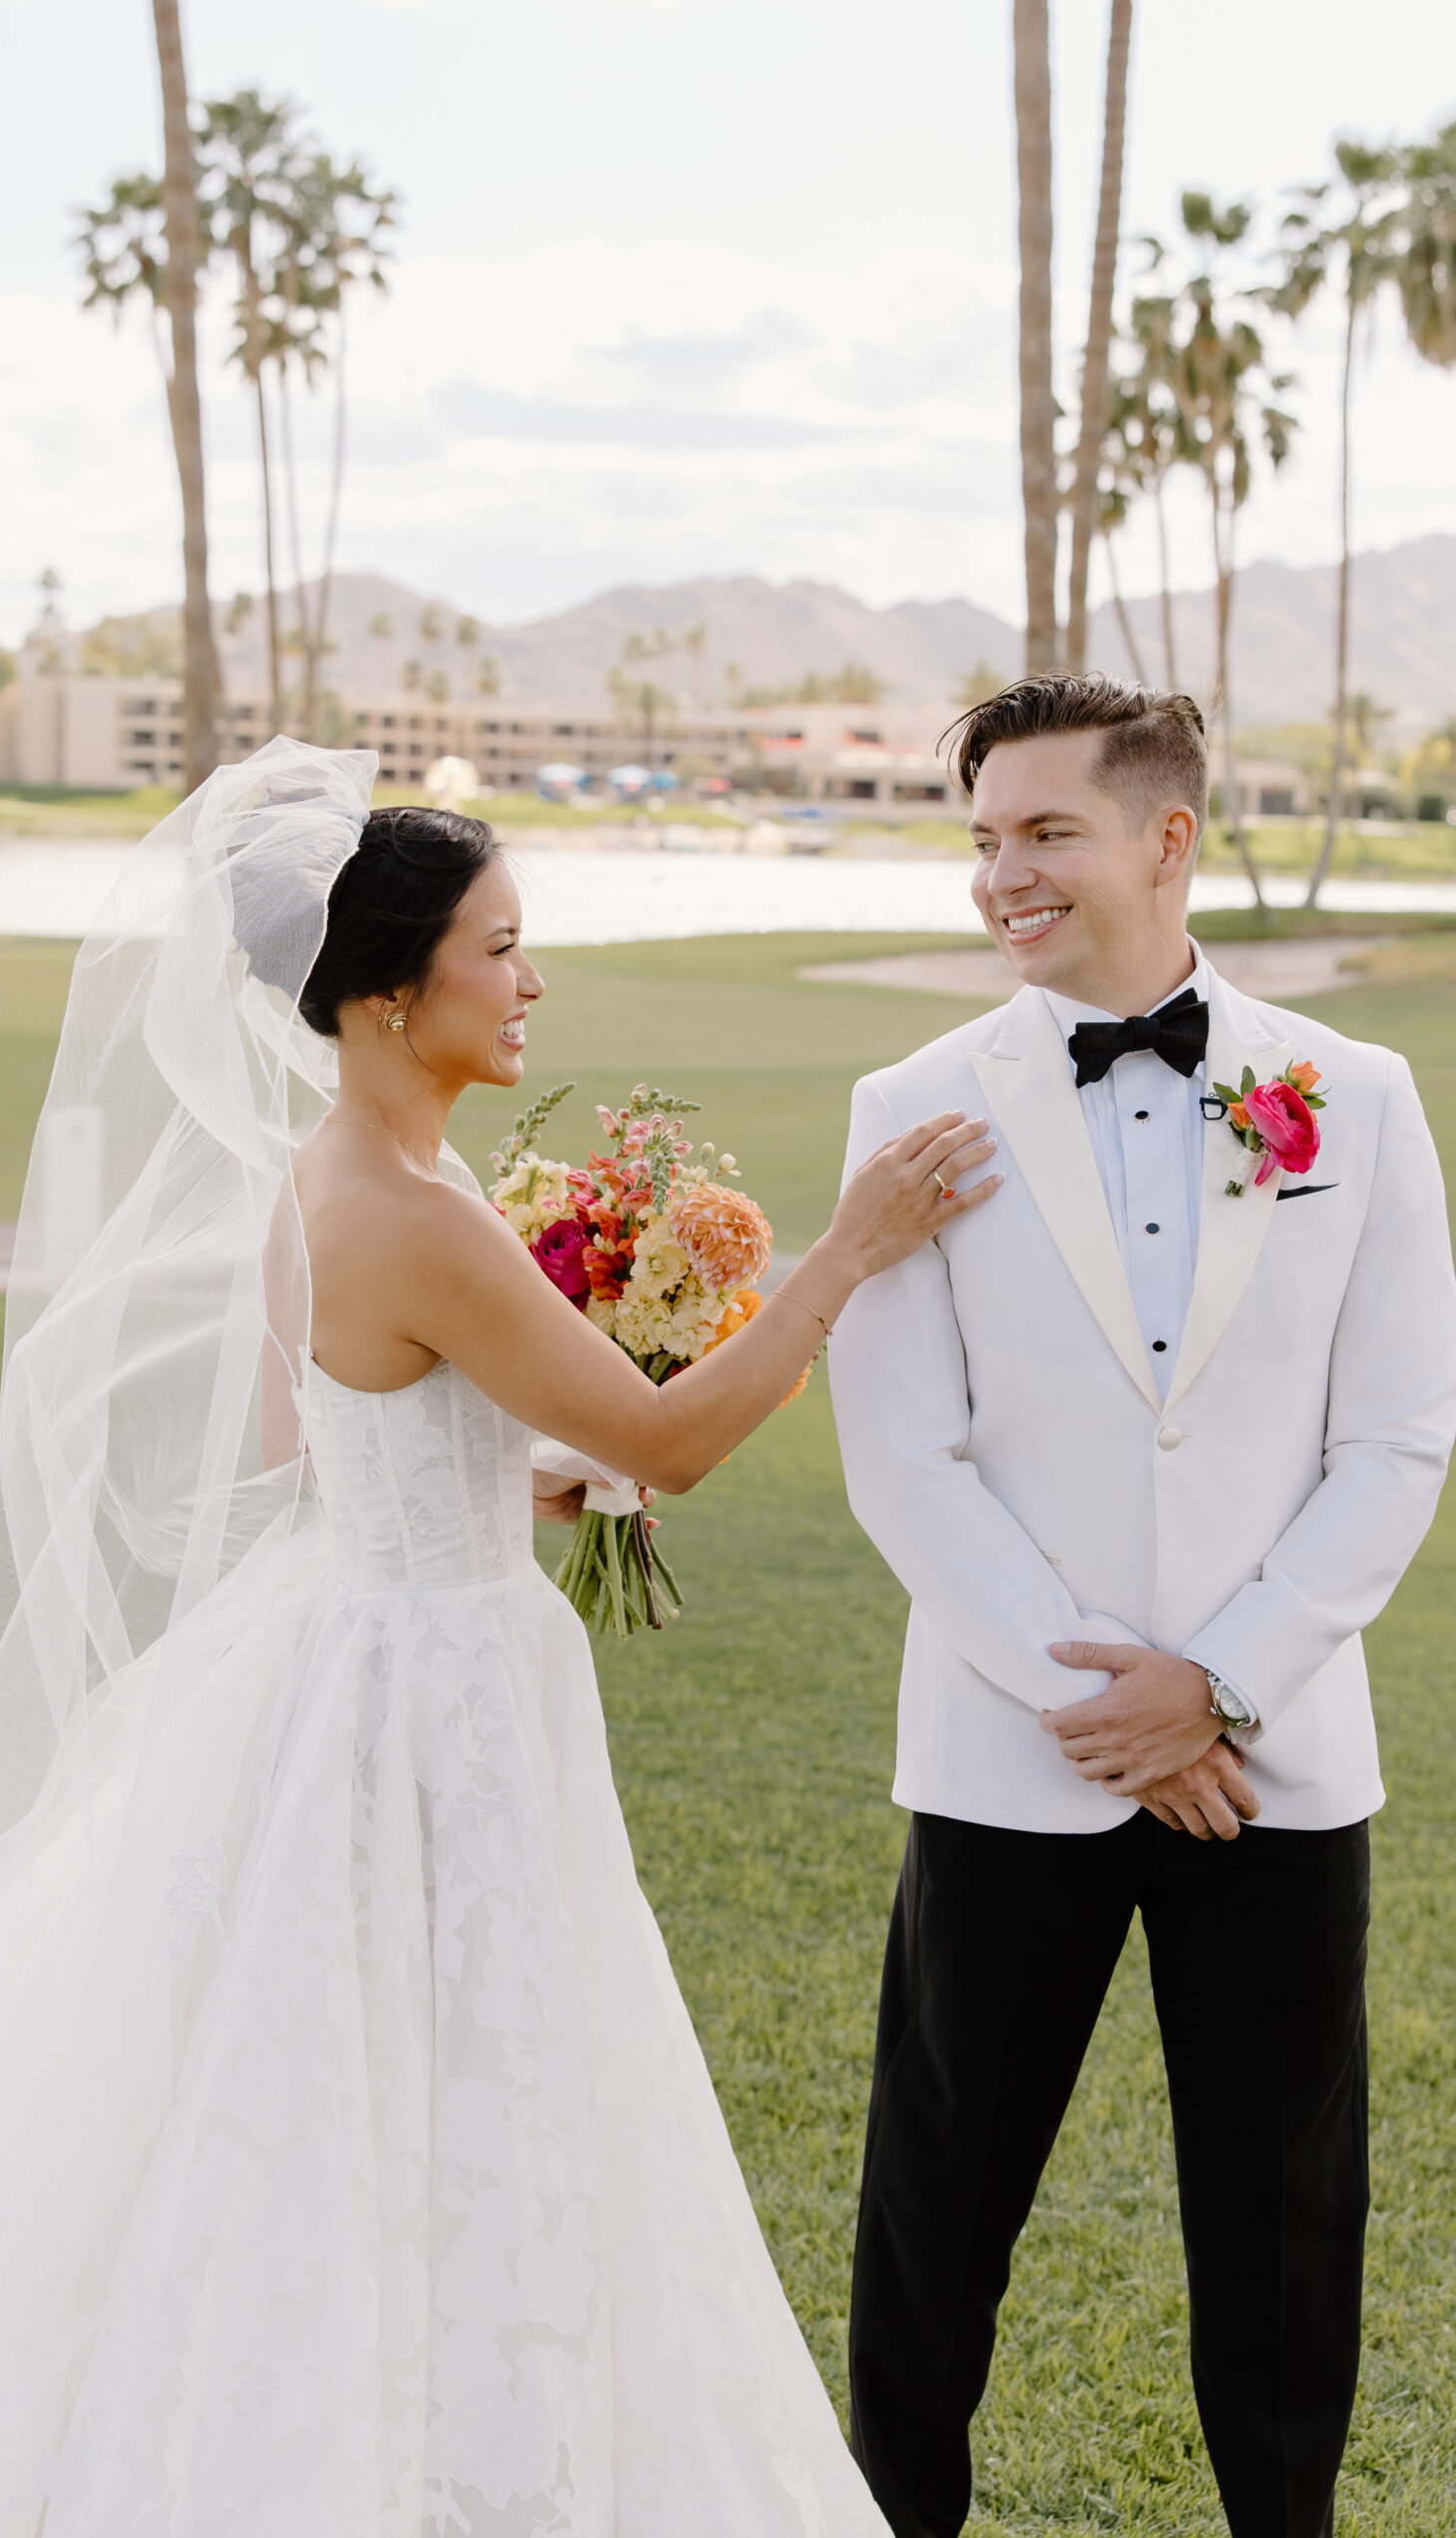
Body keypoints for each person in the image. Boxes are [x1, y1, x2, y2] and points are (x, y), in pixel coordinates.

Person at [0, 739, 1000, 2535]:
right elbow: (673, 1443)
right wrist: (848, 1250)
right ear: (385, 986)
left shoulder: (323, 1180)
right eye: (499, 948)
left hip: (347, 1648)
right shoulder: (417, 1212)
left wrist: (510, 1485)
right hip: (437, 1698)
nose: (530, 982)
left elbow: (318, 1456)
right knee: (468, 2070)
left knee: (329, 2081)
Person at [831, 672, 1456, 2538]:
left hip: (1275, 1772)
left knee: (1282, 2232)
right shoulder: (913, 1104)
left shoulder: (1356, 1094)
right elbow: (905, 1459)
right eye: (981, 843)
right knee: (934, 2220)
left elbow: (1402, 1437)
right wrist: (1104, 1701)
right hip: (1012, 1760)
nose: (1000, 881)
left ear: (1167, 839)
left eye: (1043, 834)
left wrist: (1228, 1687)